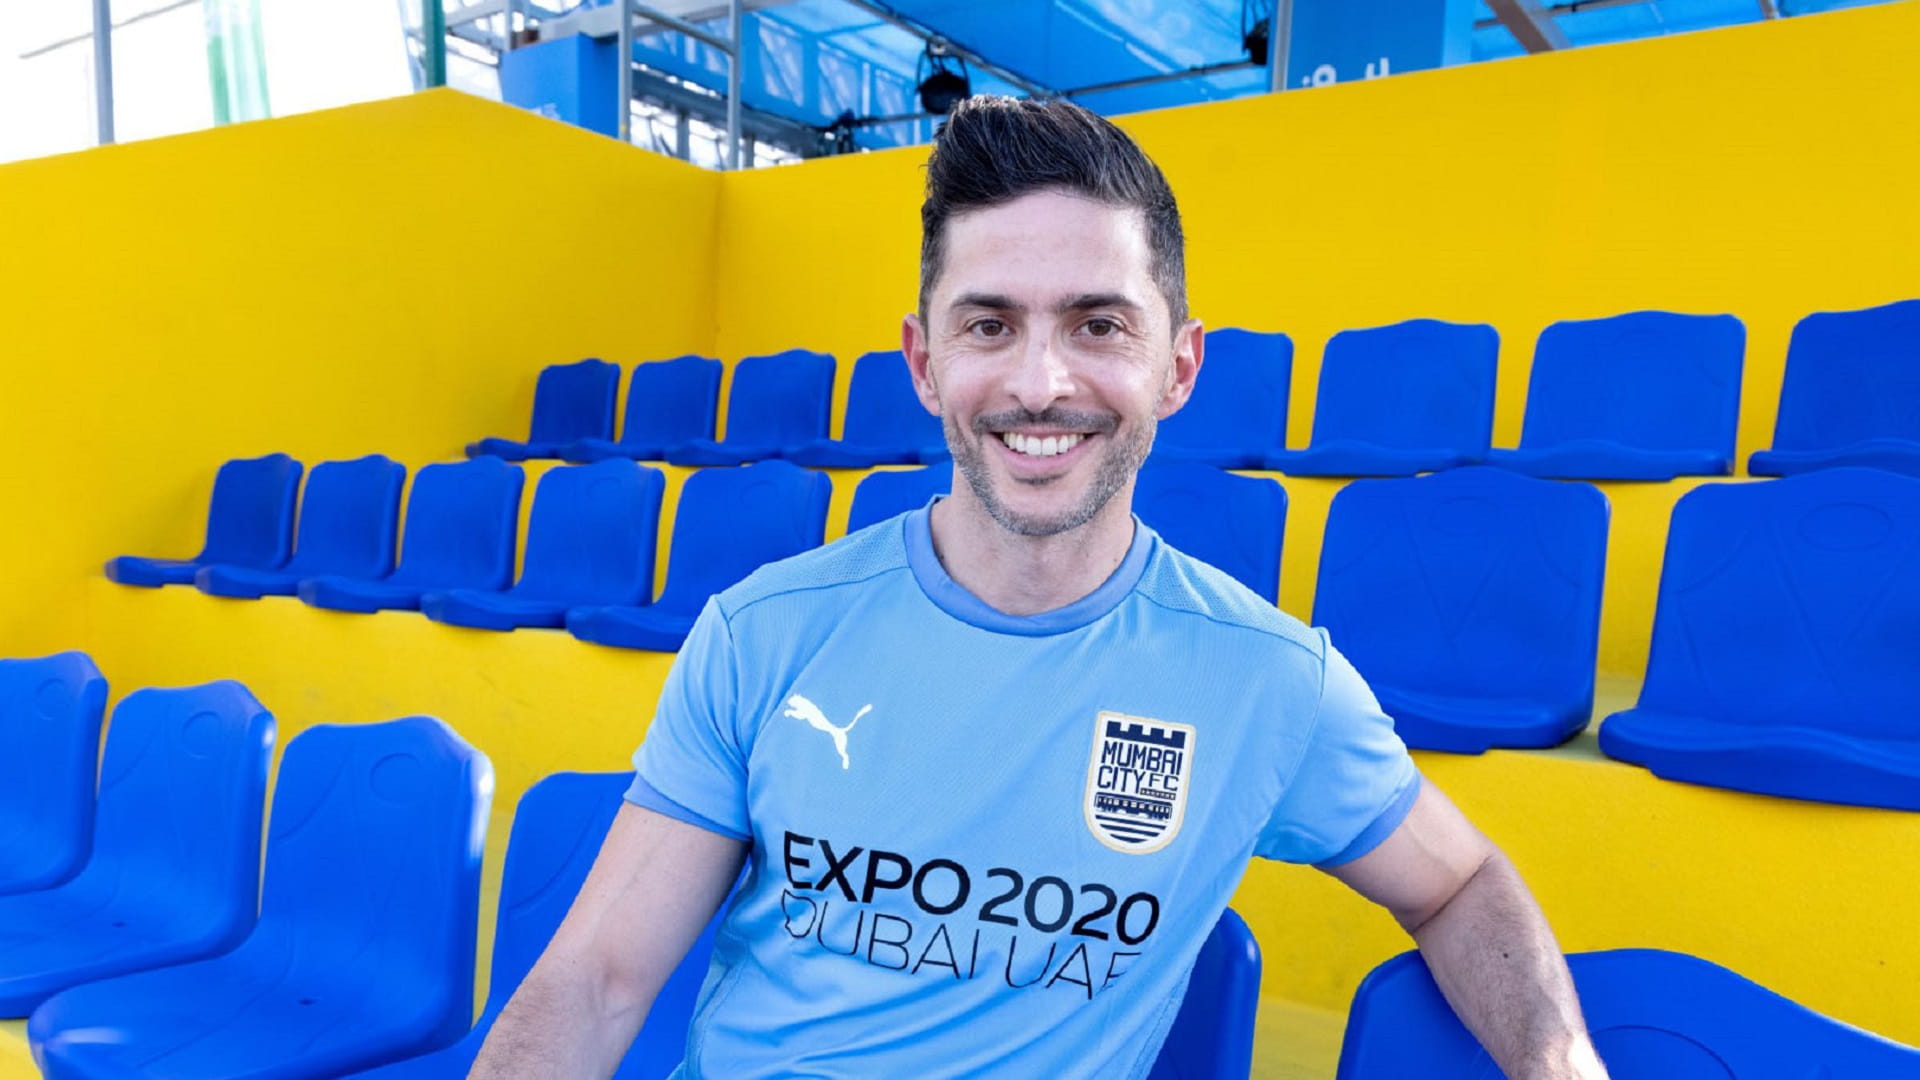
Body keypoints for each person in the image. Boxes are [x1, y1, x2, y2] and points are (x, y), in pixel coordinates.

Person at [472, 96, 1608, 1079]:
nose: (1040, 382)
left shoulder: (1268, 681)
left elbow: (1458, 885)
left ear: (1178, 366)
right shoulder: (762, 633)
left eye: (1097, 324)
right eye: (990, 324)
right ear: (925, 364)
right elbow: (597, 980)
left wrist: (1557, 1060)